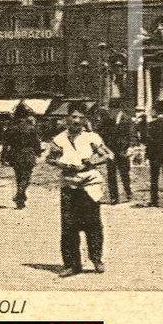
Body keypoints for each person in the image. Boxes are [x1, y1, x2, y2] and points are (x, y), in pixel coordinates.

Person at [46, 102, 113, 277]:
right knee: (68, 225)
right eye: (73, 117)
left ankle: (96, 259)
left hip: (89, 184)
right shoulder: (58, 139)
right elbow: (50, 159)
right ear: (66, 118)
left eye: (80, 118)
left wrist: (93, 162)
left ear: (85, 120)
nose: (76, 121)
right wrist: (61, 164)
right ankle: (71, 264)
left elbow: (108, 155)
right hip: (69, 183)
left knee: (93, 224)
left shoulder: (92, 137)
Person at [0, 103, 43, 209]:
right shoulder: (31, 128)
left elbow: (5, 144)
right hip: (28, 154)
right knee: (26, 177)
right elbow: (36, 142)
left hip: (15, 154)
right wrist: (38, 152)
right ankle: (20, 193)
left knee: (19, 176)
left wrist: (3, 157)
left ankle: (20, 199)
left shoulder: (11, 128)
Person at [96, 108, 134, 204]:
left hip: (123, 150)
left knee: (125, 173)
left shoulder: (127, 119)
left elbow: (132, 134)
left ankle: (128, 192)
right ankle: (114, 197)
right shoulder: (107, 119)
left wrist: (130, 147)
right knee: (111, 174)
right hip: (111, 150)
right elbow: (100, 133)